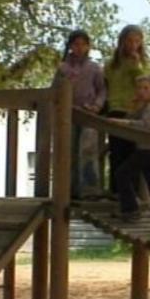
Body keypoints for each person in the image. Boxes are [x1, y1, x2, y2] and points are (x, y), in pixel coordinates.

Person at [113, 75, 150, 236]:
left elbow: (145, 125)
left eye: (146, 88)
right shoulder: (144, 107)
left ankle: (131, 210)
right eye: (139, 88)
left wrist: (126, 123)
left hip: (149, 150)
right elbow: (130, 118)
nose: (142, 91)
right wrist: (133, 108)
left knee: (122, 173)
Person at [53, 29, 106, 199]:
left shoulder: (94, 67)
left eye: (83, 44)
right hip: (67, 114)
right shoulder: (63, 67)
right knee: (68, 150)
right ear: (70, 46)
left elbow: (102, 90)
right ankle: (69, 190)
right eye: (76, 44)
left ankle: (90, 189)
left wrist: (97, 106)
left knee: (88, 149)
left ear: (88, 46)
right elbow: (54, 90)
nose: (80, 48)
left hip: (88, 113)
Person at [104, 25, 150, 195]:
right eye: (130, 40)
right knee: (116, 152)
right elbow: (106, 84)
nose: (133, 44)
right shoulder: (112, 65)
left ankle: (132, 192)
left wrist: (136, 64)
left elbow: (146, 83)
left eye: (137, 41)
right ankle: (115, 191)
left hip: (134, 111)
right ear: (122, 41)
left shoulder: (142, 63)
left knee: (133, 153)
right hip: (115, 109)